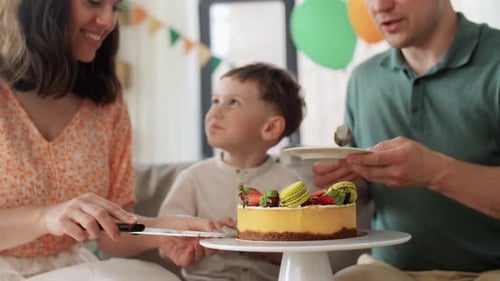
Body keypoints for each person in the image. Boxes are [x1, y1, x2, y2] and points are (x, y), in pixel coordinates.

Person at [0, 1, 230, 280]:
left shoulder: (106, 101)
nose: (108, 21)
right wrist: (45, 218)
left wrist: (165, 233)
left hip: (70, 269)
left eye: (116, 8)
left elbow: (111, 235)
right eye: (94, 2)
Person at [313, 0, 500, 280]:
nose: (380, 6)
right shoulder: (364, 80)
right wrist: (350, 184)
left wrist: (436, 172)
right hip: (389, 270)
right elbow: (365, 196)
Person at [158, 62, 307, 281]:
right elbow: (164, 242)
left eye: (233, 103)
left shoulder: (291, 186)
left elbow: (307, 250)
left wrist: (262, 244)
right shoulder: (192, 179)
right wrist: (187, 247)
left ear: (270, 128)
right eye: (215, 101)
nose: (215, 111)